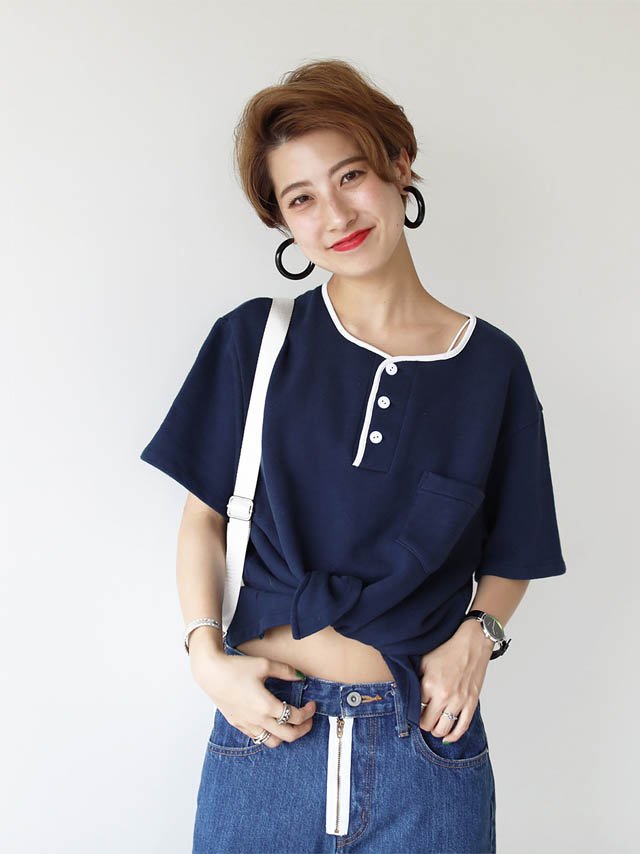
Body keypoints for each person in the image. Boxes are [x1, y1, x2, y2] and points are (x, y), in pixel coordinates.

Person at [140, 59, 567, 854]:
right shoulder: (255, 341)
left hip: (425, 753)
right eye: (302, 198)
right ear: (282, 221)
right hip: (266, 737)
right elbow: (204, 520)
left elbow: (516, 550)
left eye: (351, 176)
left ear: (398, 166)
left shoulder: (492, 367)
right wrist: (205, 658)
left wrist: (479, 637)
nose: (335, 214)